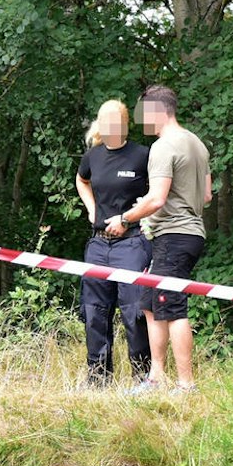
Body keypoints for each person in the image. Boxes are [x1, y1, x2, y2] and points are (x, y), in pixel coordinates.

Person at [117, 85, 210, 393]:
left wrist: (124, 218)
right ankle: (156, 378)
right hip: (184, 233)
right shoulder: (196, 143)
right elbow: (206, 195)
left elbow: (156, 199)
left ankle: (186, 385)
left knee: (172, 307)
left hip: (175, 235)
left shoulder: (163, 146)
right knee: (149, 302)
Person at [74, 101, 153, 385]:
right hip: (98, 245)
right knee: (94, 311)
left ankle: (142, 378)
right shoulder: (93, 156)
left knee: (134, 312)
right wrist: (91, 209)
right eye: (102, 121)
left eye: (112, 122)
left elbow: (157, 194)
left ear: (123, 124)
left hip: (132, 244)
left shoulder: (142, 156)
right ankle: (98, 379)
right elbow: (81, 180)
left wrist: (131, 219)